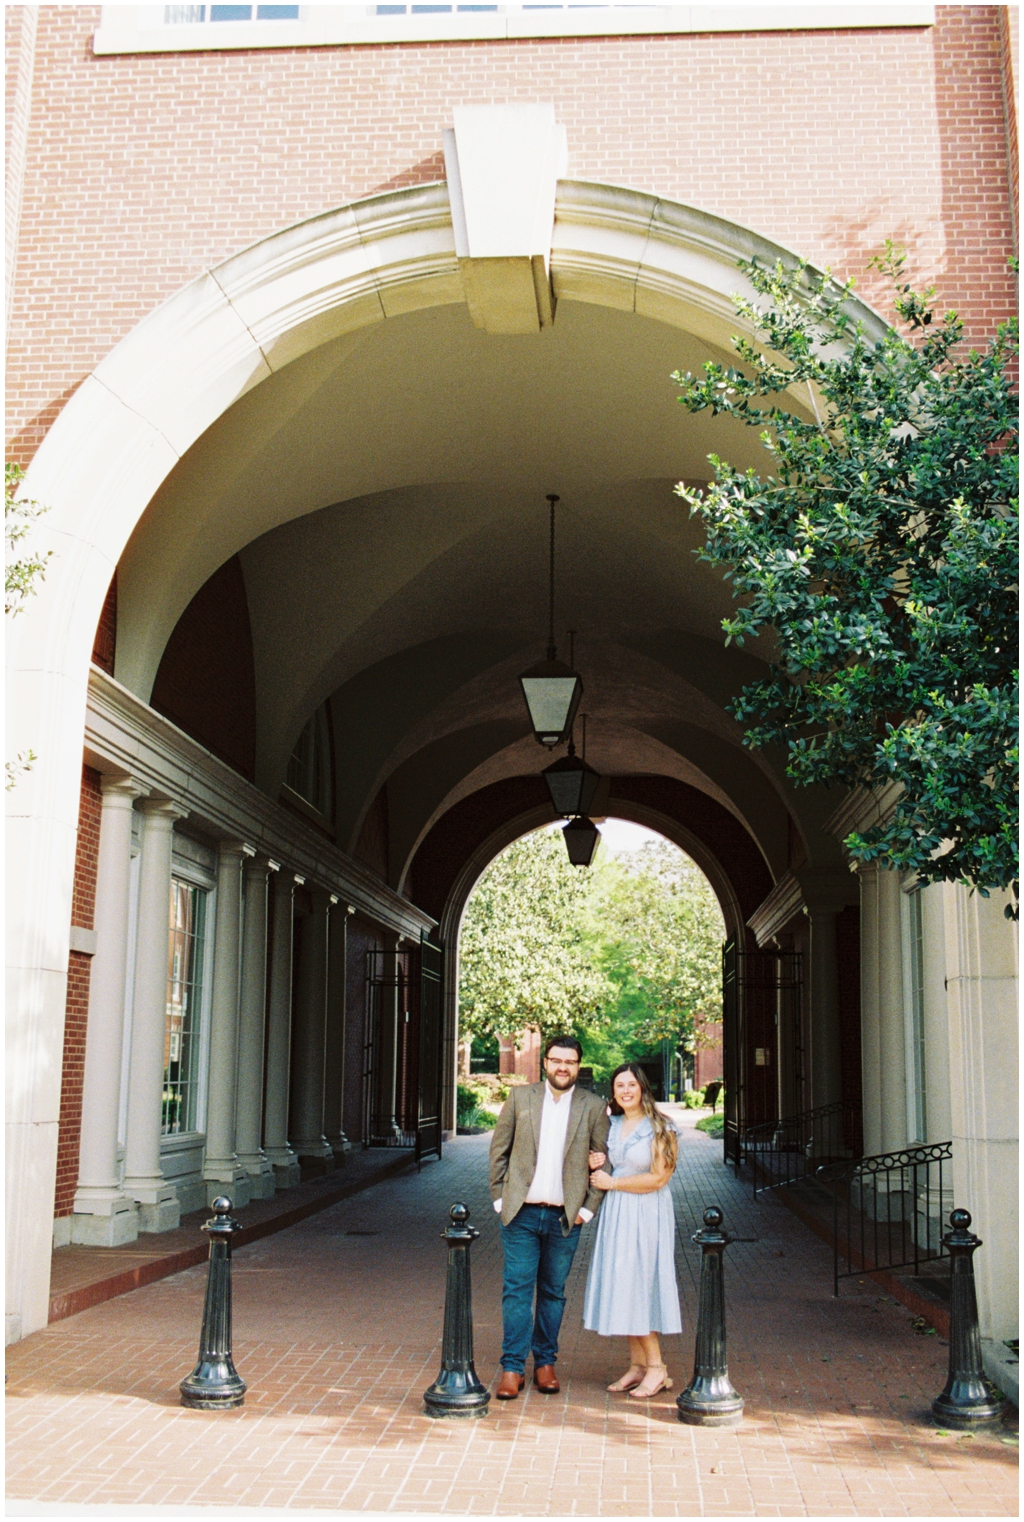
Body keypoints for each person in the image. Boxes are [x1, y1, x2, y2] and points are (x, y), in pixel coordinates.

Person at [488, 1035, 611, 1399]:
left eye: (570, 1062)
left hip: (564, 1219)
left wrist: (587, 1209)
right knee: (517, 1291)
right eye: (557, 1060)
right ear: (545, 1063)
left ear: (578, 1066)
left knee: (553, 1293)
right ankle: (512, 1367)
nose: (563, 1067)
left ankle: (545, 1363)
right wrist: (500, 1199)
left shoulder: (593, 1106)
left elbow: (602, 1160)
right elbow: (499, 1151)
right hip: (521, 1215)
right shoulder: (520, 1099)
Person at [582, 1062, 682, 1399]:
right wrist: (596, 1162)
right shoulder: (611, 1124)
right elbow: (604, 1161)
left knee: (641, 1283)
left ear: (642, 1088)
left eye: (631, 1085)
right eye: (619, 1085)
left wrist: (613, 1181)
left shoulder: (661, 1127)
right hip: (618, 1212)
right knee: (623, 1283)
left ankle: (657, 1368)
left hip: (646, 1211)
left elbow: (659, 1178)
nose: (625, 1091)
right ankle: (638, 1366)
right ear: (613, 1091)